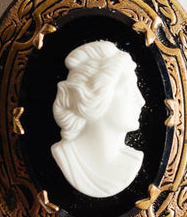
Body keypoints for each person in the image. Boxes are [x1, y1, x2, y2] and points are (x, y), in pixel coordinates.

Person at [51, 40, 144, 198]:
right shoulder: (66, 157)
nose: (141, 100)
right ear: (96, 95)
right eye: (130, 89)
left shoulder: (132, 161)